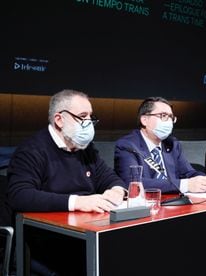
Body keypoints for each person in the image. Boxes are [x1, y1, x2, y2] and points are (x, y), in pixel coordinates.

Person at [6, 89, 127, 275]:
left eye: (91, 117)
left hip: (86, 233)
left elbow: (110, 178)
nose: (88, 123)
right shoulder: (32, 150)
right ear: (59, 120)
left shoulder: (85, 149)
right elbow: (19, 195)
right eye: (82, 116)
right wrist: (78, 202)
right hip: (47, 244)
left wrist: (118, 191)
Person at [114, 97, 206, 194]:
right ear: (144, 120)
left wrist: (205, 180)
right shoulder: (128, 145)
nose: (169, 122)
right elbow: (134, 183)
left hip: (174, 201)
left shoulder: (172, 144)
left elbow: (189, 173)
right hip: (145, 204)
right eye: (163, 115)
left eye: (171, 117)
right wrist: (184, 185)